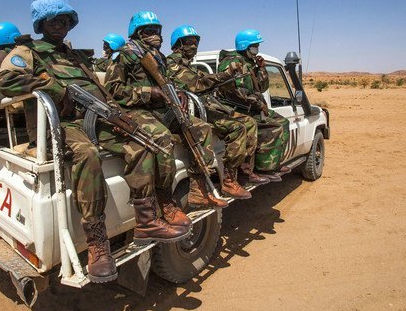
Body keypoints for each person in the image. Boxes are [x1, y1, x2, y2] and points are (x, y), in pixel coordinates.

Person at [0, 0, 191, 283]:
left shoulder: (75, 56)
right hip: (59, 124)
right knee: (87, 155)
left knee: (141, 144)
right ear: (41, 24)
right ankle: (98, 244)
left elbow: (102, 91)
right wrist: (53, 88)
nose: (60, 25)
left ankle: (147, 220)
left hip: (98, 117)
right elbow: (6, 80)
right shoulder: (29, 51)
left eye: (65, 20)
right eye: (54, 20)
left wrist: (116, 112)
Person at [105, 11, 229, 209]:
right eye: (150, 31)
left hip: (162, 109)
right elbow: (113, 90)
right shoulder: (124, 55)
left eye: (158, 30)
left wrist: (177, 92)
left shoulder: (159, 57)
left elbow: (167, 82)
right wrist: (149, 92)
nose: (156, 35)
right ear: (138, 33)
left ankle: (198, 189)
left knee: (201, 128)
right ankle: (164, 200)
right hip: (137, 110)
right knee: (163, 138)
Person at [166, 25, 268, 198]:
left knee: (249, 122)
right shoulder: (172, 64)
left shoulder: (188, 65)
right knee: (238, 128)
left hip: (204, 107)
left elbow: (203, 80)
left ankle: (244, 172)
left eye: (195, 42)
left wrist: (227, 77)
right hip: (189, 113)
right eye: (189, 42)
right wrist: (225, 75)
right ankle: (229, 181)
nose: (194, 46)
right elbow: (197, 84)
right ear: (178, 44)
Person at [216, 29, 290, 181]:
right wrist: (258, 104)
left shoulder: (249, 63)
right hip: (238, 109)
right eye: (254, 46)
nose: (257, 49)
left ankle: (273, 163)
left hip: (251, 107)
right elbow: (236, 91)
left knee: (284, 122)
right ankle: (262, 168)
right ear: (245, 46)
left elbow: (262, 88)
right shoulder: (232, 62)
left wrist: (261, 68)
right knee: (272, 127)